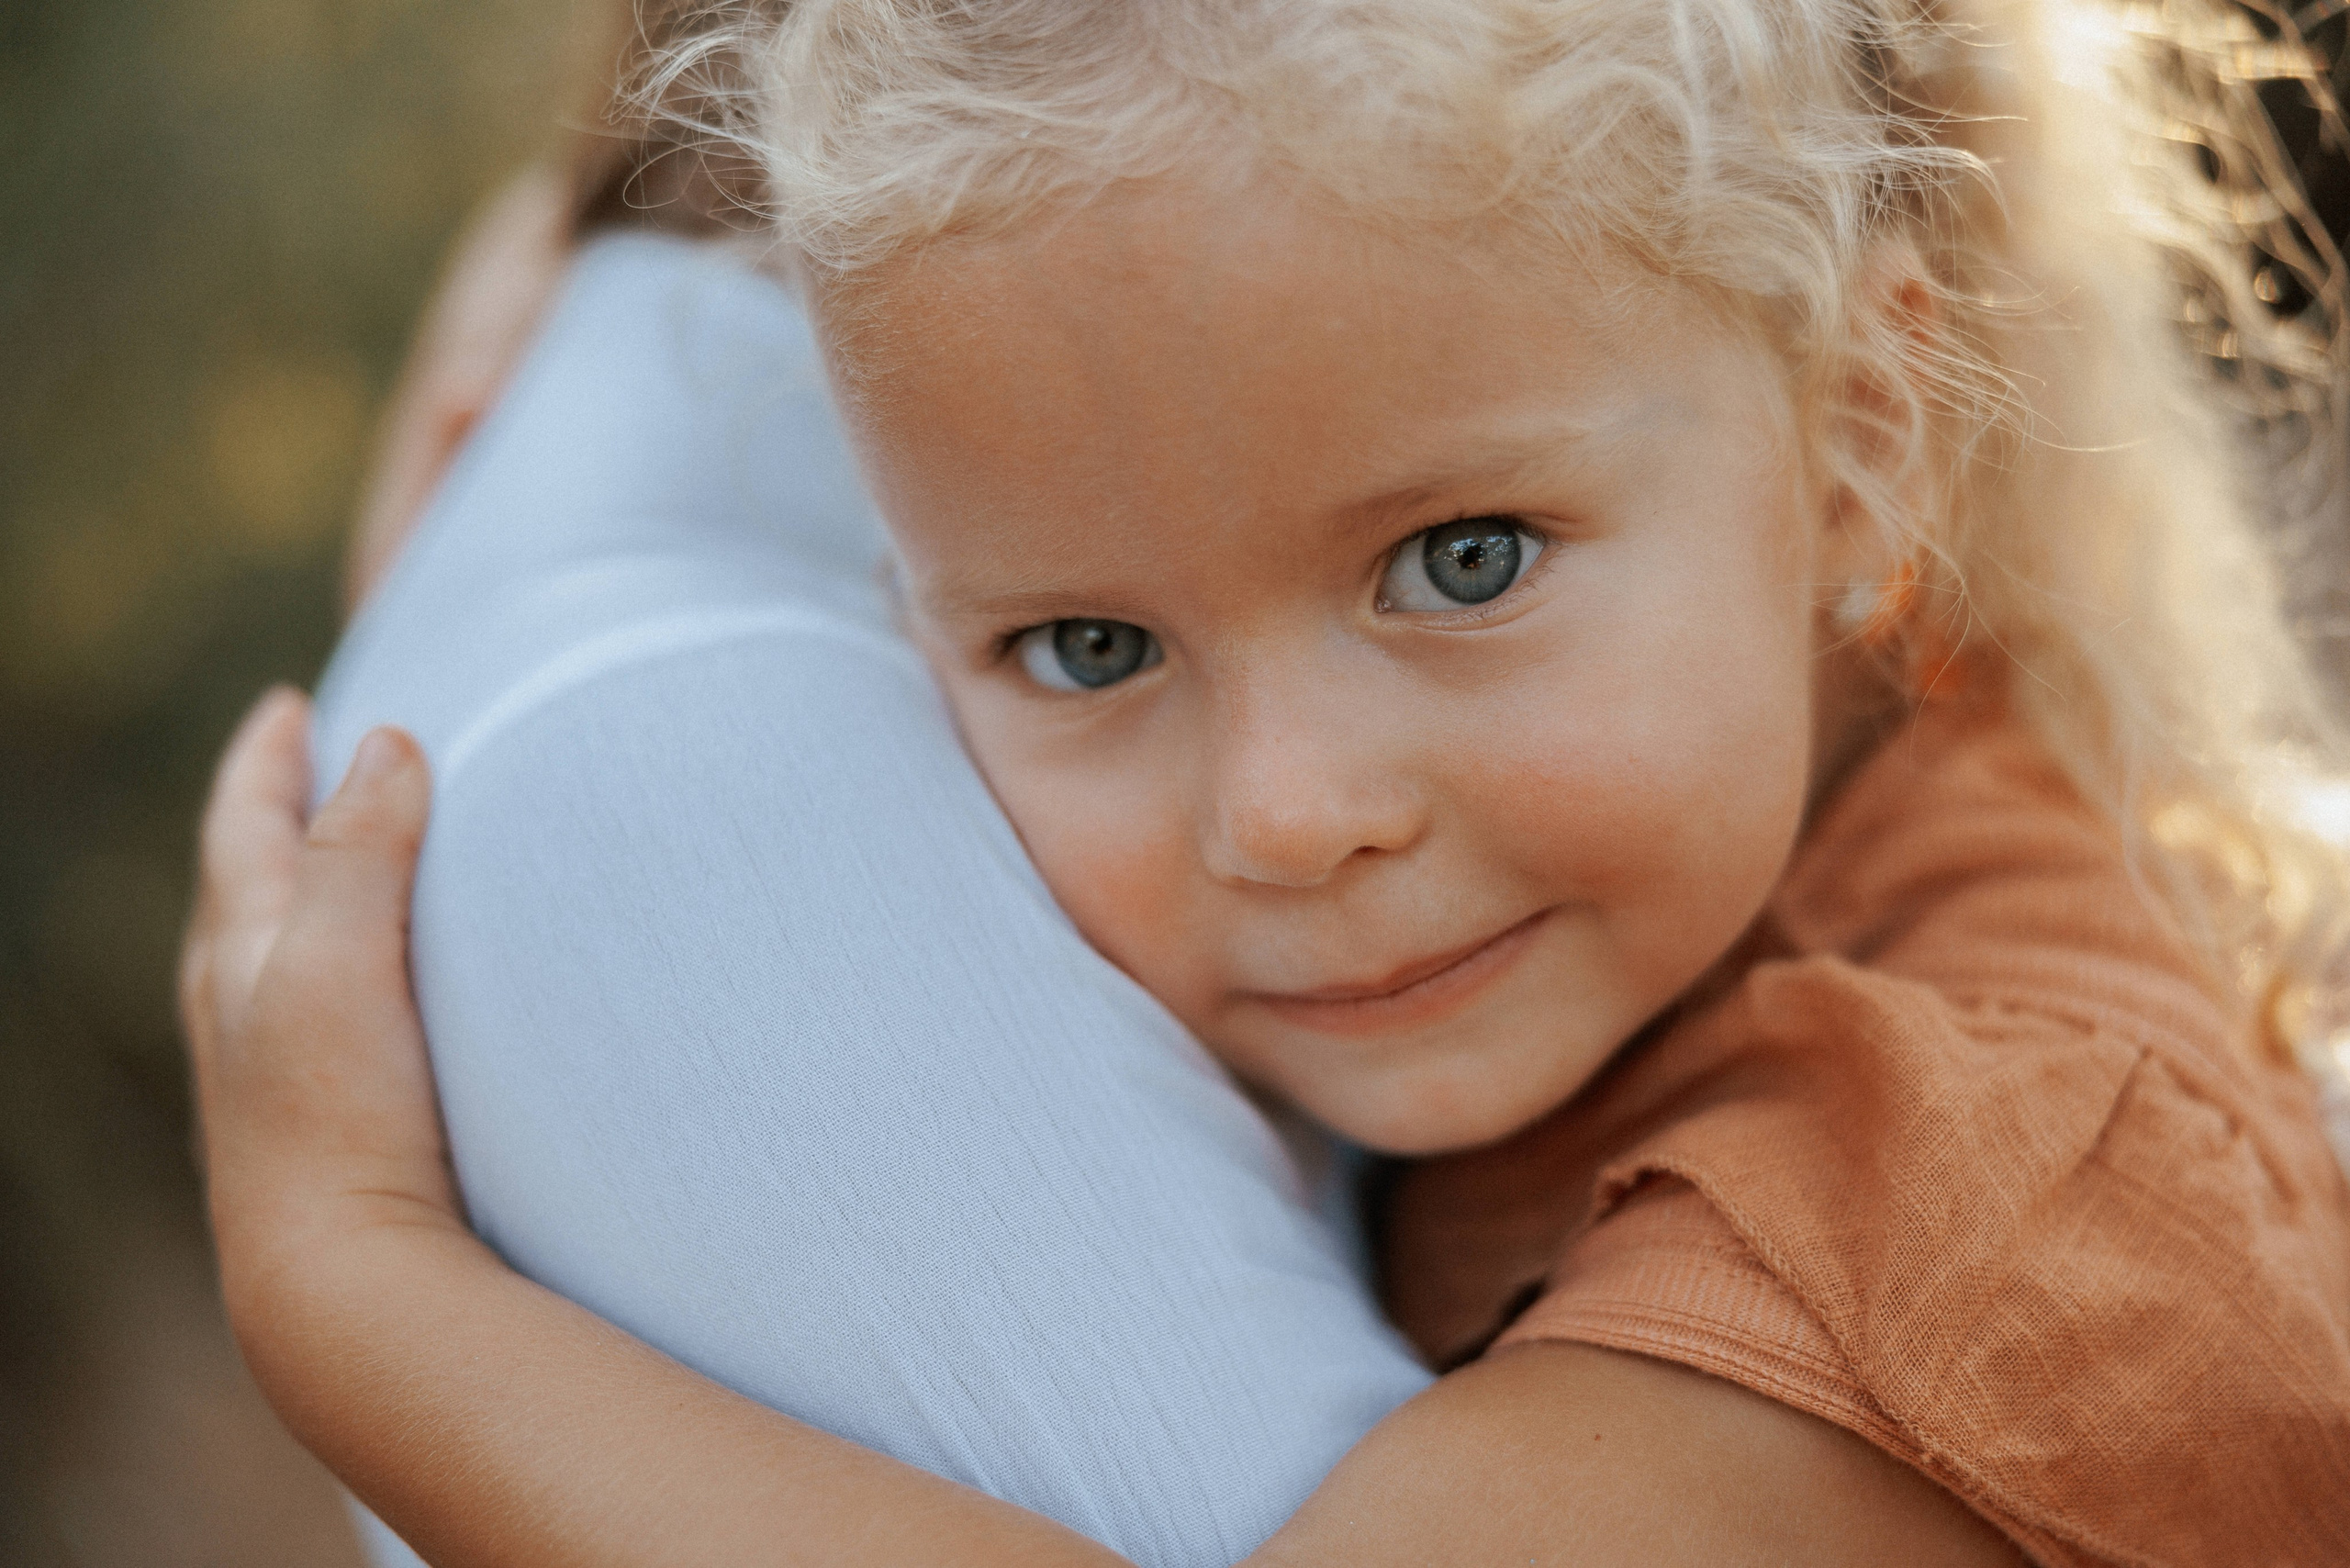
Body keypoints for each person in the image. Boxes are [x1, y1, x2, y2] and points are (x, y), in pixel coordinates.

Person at [179, 1, 2350, 1563]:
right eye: (1086, 646)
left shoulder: (2002, 1184)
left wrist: (355, 1288)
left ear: (1862, 436)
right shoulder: (1616, 874)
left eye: (1458, 563)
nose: (1289, 813)